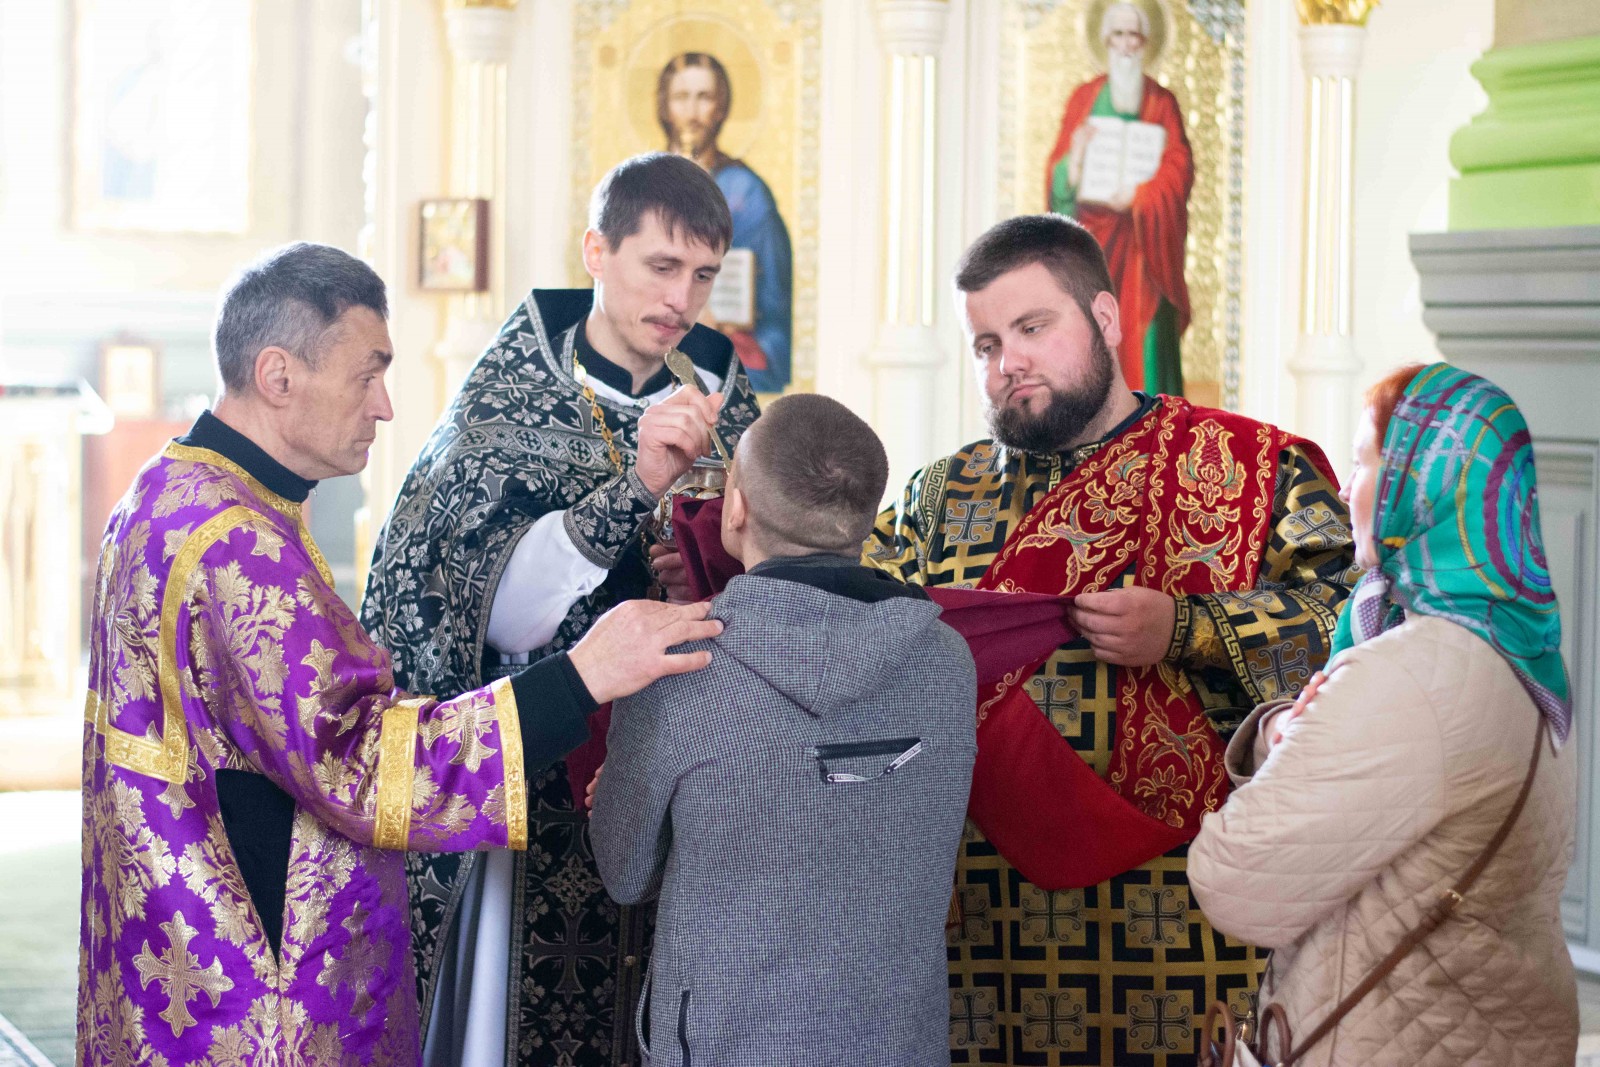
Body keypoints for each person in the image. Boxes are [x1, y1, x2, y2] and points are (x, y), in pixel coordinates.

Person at [77, 242, 723, 1066]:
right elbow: (362, 766)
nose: (384, 407)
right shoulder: (240, 545)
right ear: (278, 375)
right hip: (249, 997)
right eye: (367, 375)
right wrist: (583, 675)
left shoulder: (165, 489)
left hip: (166, 960)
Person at [865, 213, 1356, 1067]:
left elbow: (1348, 625)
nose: (1008, 363)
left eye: (1031, 328)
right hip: (984, 942)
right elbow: (853, 627)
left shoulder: (1254, 467)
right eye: (986, 345)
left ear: (1105, 318)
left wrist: (1187, 626)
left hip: (1186, 934)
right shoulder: (937, 498)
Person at [359, 152, 760, 1066]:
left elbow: (767, 576)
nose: (683, 299)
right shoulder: (506, 402)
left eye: (704, 275)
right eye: (662, 265)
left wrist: (703, 574)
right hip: (533, 780)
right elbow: (494, 620)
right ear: (596, 251)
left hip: (674, 777)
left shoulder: (724, 404)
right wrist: (635, 489)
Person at [1188, 363, 1578, 1067]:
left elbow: (1232, 881)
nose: (1344, 488)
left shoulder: (1409, 671)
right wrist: (1286, 731)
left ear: (1419, 485)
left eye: (1365, 462)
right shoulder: (1523, 654)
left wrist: (1293, 738)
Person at [591, 393, 977, 1065]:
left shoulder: (677, 669)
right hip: (895, 1042)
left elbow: (626, 874)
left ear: (735, 507)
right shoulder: (946, 659)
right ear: (866, 515)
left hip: (722, 1042)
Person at [1045, 0, 1192, 395]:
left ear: (1146, 43)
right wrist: (1076, 159)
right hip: (1095, 248)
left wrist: (1140, 196)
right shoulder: (1084, 99)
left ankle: (1153, 427)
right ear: (1106, 41)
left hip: (1147, 252)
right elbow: (1058, 180)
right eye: (1118, 35)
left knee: (1145, 337)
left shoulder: (1162, 103)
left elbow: (1179, 170)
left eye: (1134, 36)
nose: (1126, 45)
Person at [659, 51, 794, 393]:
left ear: (720, 107)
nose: (692, 112)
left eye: (704, 97)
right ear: (665, 106)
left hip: (723, 346)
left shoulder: (746, 192)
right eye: (681, 97)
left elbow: (774, 307)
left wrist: (726, 326)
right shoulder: (639, 187)